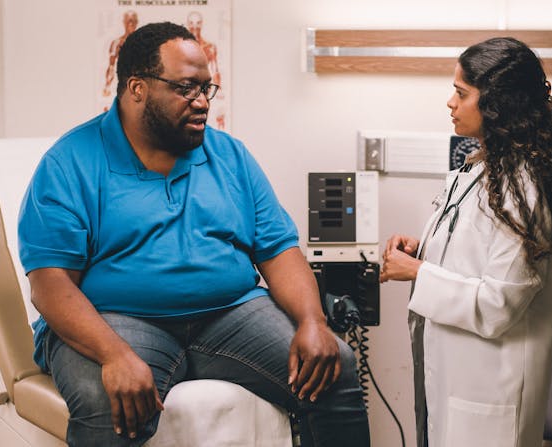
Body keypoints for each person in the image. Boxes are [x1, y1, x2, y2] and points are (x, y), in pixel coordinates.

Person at [19, 22, 370, 447]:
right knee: (103, 399)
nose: (203, 102)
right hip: (119, 320)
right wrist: (114, 355)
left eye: (208, 88)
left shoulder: (230, 156)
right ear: (137, 89)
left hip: (230, 314)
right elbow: (50, 284)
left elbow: (278, 250)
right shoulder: (70, 162)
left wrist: (312, 321)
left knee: (335, 367)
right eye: (187, 88)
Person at [380, 37, 552, 447]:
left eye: (461, 93)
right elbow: (479, 254)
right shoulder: (479, 168)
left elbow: (498, 303)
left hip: (491, 390)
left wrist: (419, 272)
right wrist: (427, 248)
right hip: (457, 377)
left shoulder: (524, 188)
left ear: (497, 103)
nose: (450, 103)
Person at [102, 10, 139, 98]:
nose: (130, 24)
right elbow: (111, 66)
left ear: (136, 23)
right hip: (122, 84)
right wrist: (107, 86)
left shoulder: (144, 43)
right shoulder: (116, 43)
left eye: (133, 21)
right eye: (128, 21)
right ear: (124, 23)